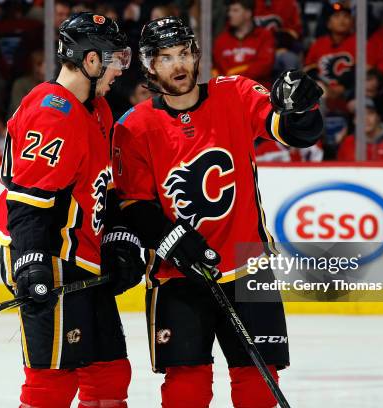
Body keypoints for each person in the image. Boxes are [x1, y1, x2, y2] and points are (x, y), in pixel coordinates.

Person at [111, 17, 323, 408]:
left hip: (248, 263)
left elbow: (294, 131)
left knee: (258, 386)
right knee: (185, 389)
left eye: (184, 54)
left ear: (196, 55)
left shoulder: (236, 93)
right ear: (149, 67)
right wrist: (173, 240)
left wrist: (303, 107)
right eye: (166, 58)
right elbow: (131, 204)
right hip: (178, 274)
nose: (179, 65)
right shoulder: (133, 126)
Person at [0, 12, 142, 408]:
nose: (120, 70)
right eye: (114, 60)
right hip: (46, 252)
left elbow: (102, 190)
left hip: (82, 253)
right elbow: (29, 202)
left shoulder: (98, 108)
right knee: (52, 381)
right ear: (90, 61)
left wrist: (118, 242)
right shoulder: (51, 112)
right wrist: (30, 261)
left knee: (109, 373)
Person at [213, 0, 275, 88]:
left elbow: (264, 66)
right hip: (227, 90)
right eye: (229, 10)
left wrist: (233, 76)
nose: (230, 14)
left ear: (248, 13)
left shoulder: (264, 36)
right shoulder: (222, 39)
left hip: (256, 90)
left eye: (235, 10)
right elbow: (216, 67)